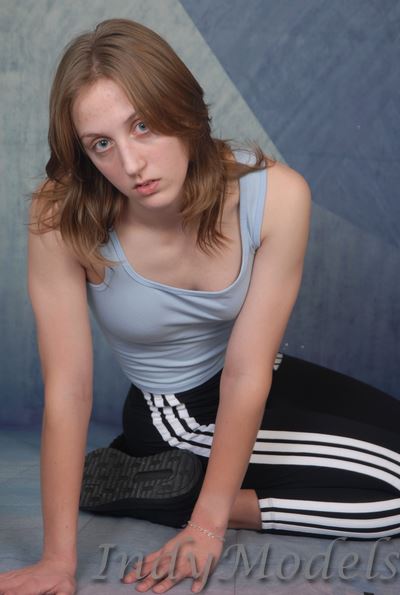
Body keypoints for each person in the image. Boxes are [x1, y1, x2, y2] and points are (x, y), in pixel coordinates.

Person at [1, 16, 399, 595]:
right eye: (102, 144)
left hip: (251, 376)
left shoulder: (275, 196)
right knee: (394, 496)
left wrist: (209, 518)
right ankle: (182, 490)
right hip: (171, 411)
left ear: (181, 106)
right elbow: (68, 388)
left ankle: (183, 488)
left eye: (143, 125)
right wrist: (59, 560)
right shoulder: (62, 215)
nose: (131, 165)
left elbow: (247, 371)